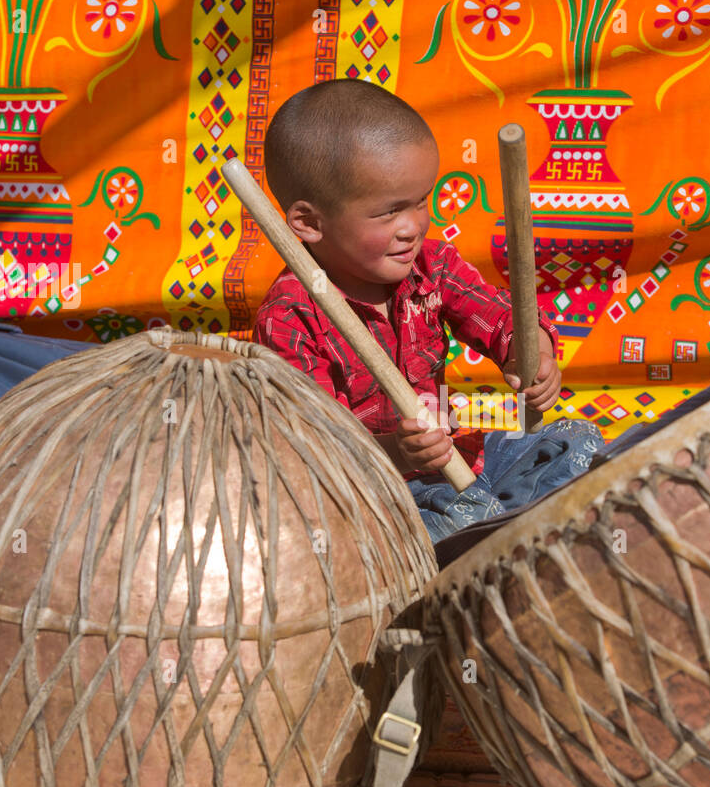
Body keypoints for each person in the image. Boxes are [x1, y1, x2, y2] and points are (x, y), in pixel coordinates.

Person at [254, 78, 603, 543]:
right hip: (377, 499)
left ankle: (503, 525)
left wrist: (529, 350)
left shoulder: (432, 265)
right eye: (389, 212)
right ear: (309, 223)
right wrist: (399, 453)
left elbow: (498, 317)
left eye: (421, 201)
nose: (413, 226)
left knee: (576, 442)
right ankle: (507, 530)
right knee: (453, 526)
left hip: (460, 465)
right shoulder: (290, 318)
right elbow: (314, 451)